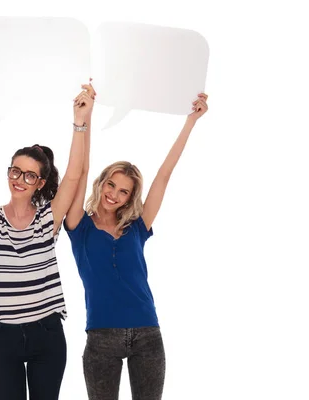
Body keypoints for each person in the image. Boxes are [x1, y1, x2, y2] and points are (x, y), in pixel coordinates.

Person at [63, 93, 209, 400]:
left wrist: (190, 122)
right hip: (101, 337)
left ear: (131, 197)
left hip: (147, 334)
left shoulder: (137, 228)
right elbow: (82, 170)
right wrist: (83, 121)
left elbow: (164, 175)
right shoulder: (80, 225)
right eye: (111, 185)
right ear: (102, 183)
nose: (114, 194)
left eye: (124, 191)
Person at [0, 80, 96, 400]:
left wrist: (80, 123)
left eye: (28, 175)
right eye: (15, 171)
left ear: (39, 183)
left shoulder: (46, 221)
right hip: (0, 337)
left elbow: (74, 175)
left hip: (46, 335)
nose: (19, 180)